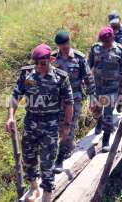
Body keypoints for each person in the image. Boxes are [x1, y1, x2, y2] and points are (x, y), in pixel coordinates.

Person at [6, 44, 74, 202]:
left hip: (50, 124)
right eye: (36, 63)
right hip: (31, 122)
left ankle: (48, 193)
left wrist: (67, 126)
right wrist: (10, 116)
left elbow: (68, 103)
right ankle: (33, 187)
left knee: (47, 161)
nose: (39, 67)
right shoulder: (27, 74)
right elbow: (16, 95)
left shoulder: (60, 78)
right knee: (29, 158)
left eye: (43, 63)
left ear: (51, 60)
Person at [51, 31, 96, 174]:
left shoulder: (79, 58)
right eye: (61, 46)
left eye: (66, 45)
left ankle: (63, 156)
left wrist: (92, 97)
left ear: (70, 41)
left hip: (75, 97)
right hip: (57, 100)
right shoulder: (52, 58)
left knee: (69, 124)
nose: (64, 48)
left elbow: (89, 78)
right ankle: (67, 145)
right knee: (59, 126)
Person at [89, 26, 122, 152]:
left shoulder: (120, 50)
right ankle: (99, 121)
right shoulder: (95, 48)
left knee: (108, 114)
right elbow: (88, 65)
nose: (105, 44)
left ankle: (106, 140)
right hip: (97, 87)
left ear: (112, 37)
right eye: (103, 41)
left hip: (112, 88)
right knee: (96, 110)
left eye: (107, 41)